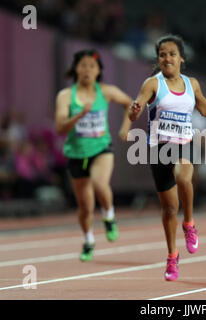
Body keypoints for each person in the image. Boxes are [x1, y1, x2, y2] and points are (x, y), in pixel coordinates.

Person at [129, 34, 206, 281]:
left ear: (182, 58)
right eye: (162, 54)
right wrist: (134, 110)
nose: (167, 58)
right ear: (159, 59)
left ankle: (189, 224)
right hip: (159, 149)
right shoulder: (152, 84)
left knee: (184, 176)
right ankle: (172, 256)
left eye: (172, 53)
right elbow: (135, 108)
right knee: (169, 209)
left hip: (183, 146)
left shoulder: (192, 84)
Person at [55, 49, 133, 262]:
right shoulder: (65, 96)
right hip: (76, 154)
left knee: (100, 184)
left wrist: (126, 127)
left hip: (101, 149)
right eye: (83, 65)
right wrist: (79, 114)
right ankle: (88, 240)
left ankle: (109, 216)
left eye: (92, 65)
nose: (87, 69)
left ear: (98, 70)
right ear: (76, 69)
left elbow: (131, 104)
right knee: (85, 206)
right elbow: (60, 128)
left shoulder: (106, 91)